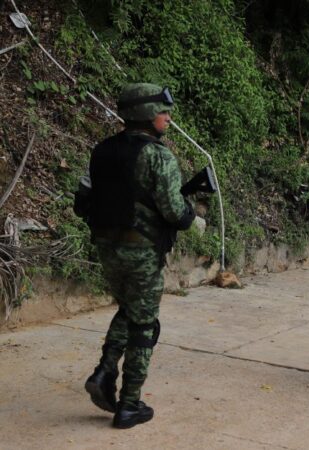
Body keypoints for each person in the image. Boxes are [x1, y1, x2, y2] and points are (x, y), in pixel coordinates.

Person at [74, 83, 196, 428]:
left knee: (128, 311)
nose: (169, 119)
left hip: (107, 248)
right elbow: (175, 213)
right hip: (142, 252)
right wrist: (190, 210)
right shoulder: (158, 156)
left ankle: (103, 372)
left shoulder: (101, 151)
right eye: (163, 112)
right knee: (145, 325)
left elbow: (81, 202)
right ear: (146, 114)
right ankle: (129, 404)